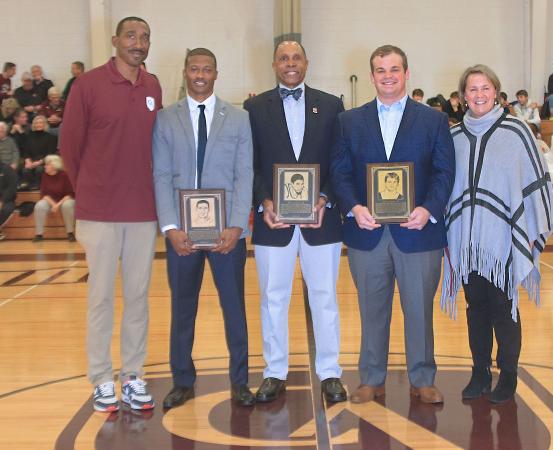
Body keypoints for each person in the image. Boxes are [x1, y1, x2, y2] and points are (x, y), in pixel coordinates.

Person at [331, 45, 455, 405]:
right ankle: (372, 378)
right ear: (372, 76)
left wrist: (428, 209)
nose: (388, 76)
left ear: (406, 73)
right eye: (381, 70)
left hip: (418, 232)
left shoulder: (432, 120)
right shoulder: (349, 121)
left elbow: (444, 171)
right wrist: (354, 207)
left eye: (394, 69)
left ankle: (422, 378)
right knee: (371, 311)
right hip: (367, 232)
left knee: (419, 310)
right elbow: (339, 172)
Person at [60, 16, 162, 413]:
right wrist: (90, 190)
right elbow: (70, 148)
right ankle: (102, 378)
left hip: (142, 212)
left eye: (145, 37)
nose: (139, 43)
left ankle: (133, 376)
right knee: (100, 298)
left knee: (138, 298)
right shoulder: (87, 85)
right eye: (131, 36)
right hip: (99, 213)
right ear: (116, 40)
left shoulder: (153, 86)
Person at [442, 64, 553, 404]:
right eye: (472, 89)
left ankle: (508, 374)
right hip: (466, 239)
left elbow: (534, 180)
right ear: (463, 96)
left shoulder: (516, 131)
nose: (479, 94)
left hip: (504, 237)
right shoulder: (454, 138)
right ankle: (480, 372)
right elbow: (448, 186)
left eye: (485, 88)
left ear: (496, 92)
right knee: (475, 306)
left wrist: (528, 229)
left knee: (504, 307)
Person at [244, 40, 347, 404]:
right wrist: (264, 201)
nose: (290, 63)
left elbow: (340, 161)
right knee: (273, 299)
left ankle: (330, 372)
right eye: (283, 58)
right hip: (273, 222)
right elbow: (250, 163)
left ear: (307, 62)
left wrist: (325, 198)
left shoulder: (332, 105)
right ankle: (274, 371)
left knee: (325, 297)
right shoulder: (254, 108)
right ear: (274, 64)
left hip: (322, 220)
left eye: (296, 57)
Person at [153, 47, 254, 408]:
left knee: (234, 307)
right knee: (182, 307)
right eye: (194, 69)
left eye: (207, 69)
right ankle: (182, 380)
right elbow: (161, 174)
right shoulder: (166, 119)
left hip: (227, 232)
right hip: (182, 233)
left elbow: (244, 174)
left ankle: (240, 381)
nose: (200, 75)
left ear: (216, 74)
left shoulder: (239, 119)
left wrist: (237, 225)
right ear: (185, 72)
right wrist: (170, 227)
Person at [32, 155, 75, 242]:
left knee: (67, 205)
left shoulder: (64, 175)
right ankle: (39, 234)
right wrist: (53, 204)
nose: (45, 166)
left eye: (47, 164)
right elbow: (44, 194)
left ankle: (70, 233)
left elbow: (70, 194)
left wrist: (58, 205)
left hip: (65, 200)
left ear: (54, 165)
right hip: (50, 200)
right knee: (39, 206)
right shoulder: (44, 175)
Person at [21, 115, 57, 189]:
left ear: (45, 124)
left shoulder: (51, 137)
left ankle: (38, 186)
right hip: (32, 160)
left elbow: (50, 153)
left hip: (45, 161)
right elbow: (26, 152)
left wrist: (39, 162)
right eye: (36, 123)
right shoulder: (29, 137)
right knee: (25, 170)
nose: (39, 124)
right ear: (34, 125)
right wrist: (28, 161)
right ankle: (27, 186)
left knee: (39, 169)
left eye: (41, 123)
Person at [0, 160, 17, 241]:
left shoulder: (7, 169)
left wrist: (2, 201)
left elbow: (12, 188)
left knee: (6, 209)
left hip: (7, 200)